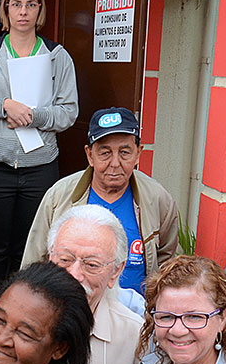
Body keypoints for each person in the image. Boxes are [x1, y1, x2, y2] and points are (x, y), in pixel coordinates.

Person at [0, 0, 78, 283]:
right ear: (5, 9)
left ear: (40, 9)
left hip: (39, 166)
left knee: (32, 246)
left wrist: (31, 115)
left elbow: (69, 112)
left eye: (30, 4)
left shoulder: (57, 55)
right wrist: (3, 106)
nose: (23, 11)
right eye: (16, 4)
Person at [22, 107, 179, 295]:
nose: (114, 163)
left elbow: (168, 265)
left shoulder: (158, 199)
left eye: (124, 152)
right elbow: (33, 262)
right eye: (105, 153)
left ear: (138, 153)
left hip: (136, 315)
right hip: (71, 308)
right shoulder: (59, 195)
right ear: (90, 155)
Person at [45, 205, 141, 364]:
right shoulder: (14, 320)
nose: (75, 274)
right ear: (49, 257)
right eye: (65, 260)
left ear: (115, 272)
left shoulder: (136, 337)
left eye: (92, 264)